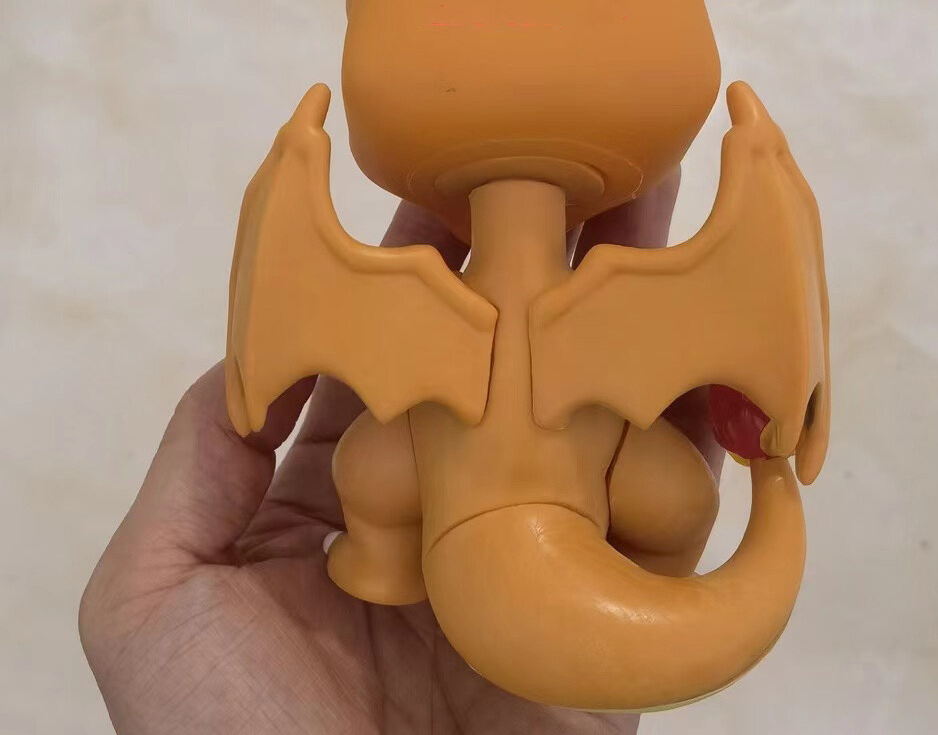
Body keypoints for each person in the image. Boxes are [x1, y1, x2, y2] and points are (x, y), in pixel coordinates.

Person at [80, 176, 721, 734]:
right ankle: (654, 568)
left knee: (366, 468)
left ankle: (383, 562)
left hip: (507, 451)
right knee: (684, 503)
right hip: (580, 452)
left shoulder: (424, 306)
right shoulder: (606, 309)